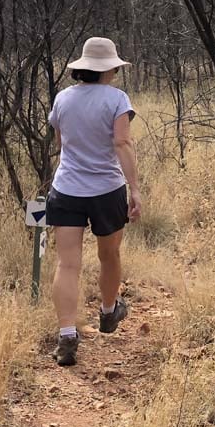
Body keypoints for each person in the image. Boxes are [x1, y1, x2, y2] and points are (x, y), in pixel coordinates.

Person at [46, 37, 142, 366]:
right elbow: (122, 144)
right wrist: (135, 189)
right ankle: (107, 311)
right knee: (109, 254)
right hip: (106, 191)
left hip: (67, 189)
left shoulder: (62, 99)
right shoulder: (117, 99)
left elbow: (60, 142)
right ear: (110, 69)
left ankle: (68, 335)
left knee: (67, 264)